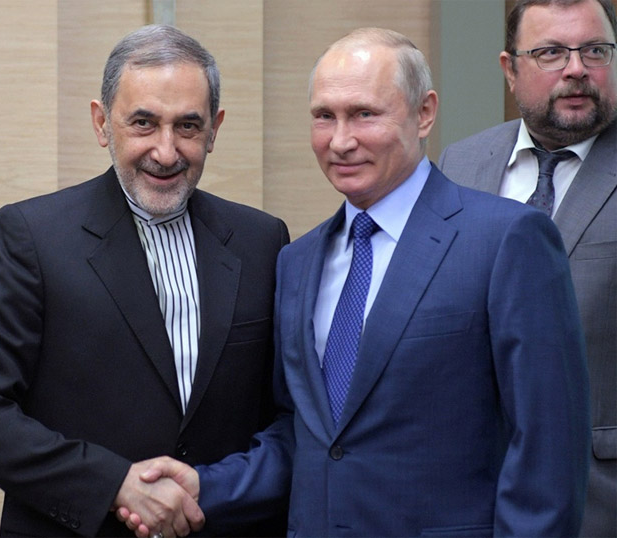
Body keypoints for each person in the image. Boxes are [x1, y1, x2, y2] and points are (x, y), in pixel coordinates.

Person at [117, 27, 591, 538]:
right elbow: (308, 438)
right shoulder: (296, 261)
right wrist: (203, 487)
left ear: (424, 112)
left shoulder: (506, 240)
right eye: (325, 116)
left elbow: (547, 451)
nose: (341, 141)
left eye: (364, 114)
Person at [0, 25, 289, 538]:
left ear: (214, 129)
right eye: (143, 123)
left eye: (187, 126)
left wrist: (215, 488)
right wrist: (114, 485)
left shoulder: (263, 241)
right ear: (102, 123)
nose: (166, 152)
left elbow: (288, 419)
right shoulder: (33, 236)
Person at [438, 1, 616, 536]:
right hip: (468, 495)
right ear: (509, 69)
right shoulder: (459, 165)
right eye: (551, 53)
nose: (577, 68)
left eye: (595, 50)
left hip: (597, 497)